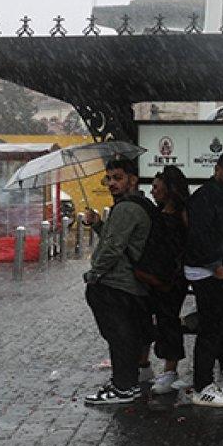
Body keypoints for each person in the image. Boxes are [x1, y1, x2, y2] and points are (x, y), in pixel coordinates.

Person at [180, 151, 223, 408]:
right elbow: (201, 234)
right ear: (218, 168)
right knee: (210, 329)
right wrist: (217, 267)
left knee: (218, 328)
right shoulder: (205, 196)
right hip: (212, 274)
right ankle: (202, 386)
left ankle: (210, 382)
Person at [82, 158, 151, 405]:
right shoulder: (134, 205)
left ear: (132, 179)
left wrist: (94, 275)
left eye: (118, 177)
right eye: (108, 178)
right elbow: (122, 243)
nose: (112, 183)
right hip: (129, 283)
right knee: (125, 335)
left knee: (120, 336)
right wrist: (99, 224)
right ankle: (126, 383)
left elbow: (112, 248)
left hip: (117, 284)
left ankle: (123, 387)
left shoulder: (126, 209)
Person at [141, 166, 190, 396]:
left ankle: (171, 369)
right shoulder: (159, 214)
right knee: (159, 320)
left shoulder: (180, 214)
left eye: (157, 187)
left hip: (171, 278)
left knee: (168, 320)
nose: (153, 192)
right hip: (156, 276)